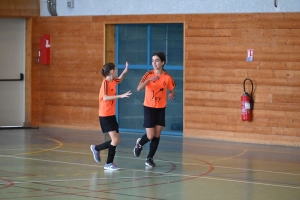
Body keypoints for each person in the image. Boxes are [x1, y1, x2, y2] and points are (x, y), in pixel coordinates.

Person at [133, 52, 176, 167]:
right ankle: (139, 143)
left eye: (157, 60)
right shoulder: (148, 74)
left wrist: (172, 94)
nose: (154, 63)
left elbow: (172, 89)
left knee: (157, 134)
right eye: (153, 60)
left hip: (161, 108)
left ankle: (149, 158)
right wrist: (149, 80)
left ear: (162, 62)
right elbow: (138, 88)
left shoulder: (167, 77)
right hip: (149, 108)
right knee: (150, 135)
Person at [90, 62, 132, 170]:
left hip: (111, 115)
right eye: (116, 69)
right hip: (105, 115)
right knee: (115, 140)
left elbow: (120, 79)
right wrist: (120, 96)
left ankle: (97, 148)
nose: (117, 71)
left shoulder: (113, 81)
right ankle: (108, 163)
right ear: (112, 71)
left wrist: (125, 71)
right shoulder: (106, 82)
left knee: (116, 140)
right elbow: (105, 97)